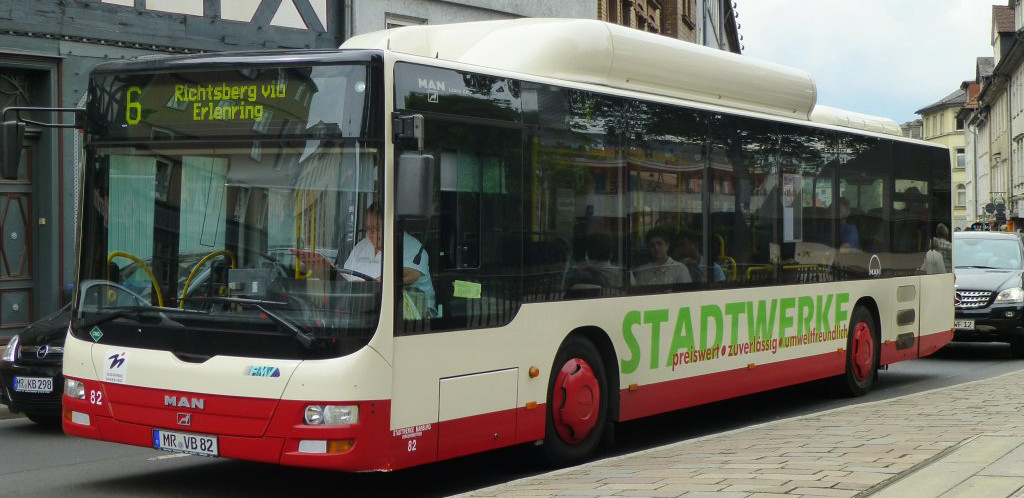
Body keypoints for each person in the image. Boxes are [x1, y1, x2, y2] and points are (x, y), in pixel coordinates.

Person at [343, 203, 435, 316]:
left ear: (390, 226)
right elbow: (345, 278)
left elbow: (408, 274)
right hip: (361, 312)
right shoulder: (362, 246)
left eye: (375, 228)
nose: (369, 233)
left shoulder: (412, 247)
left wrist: (365, 287)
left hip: (407, 319)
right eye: (367, 228)